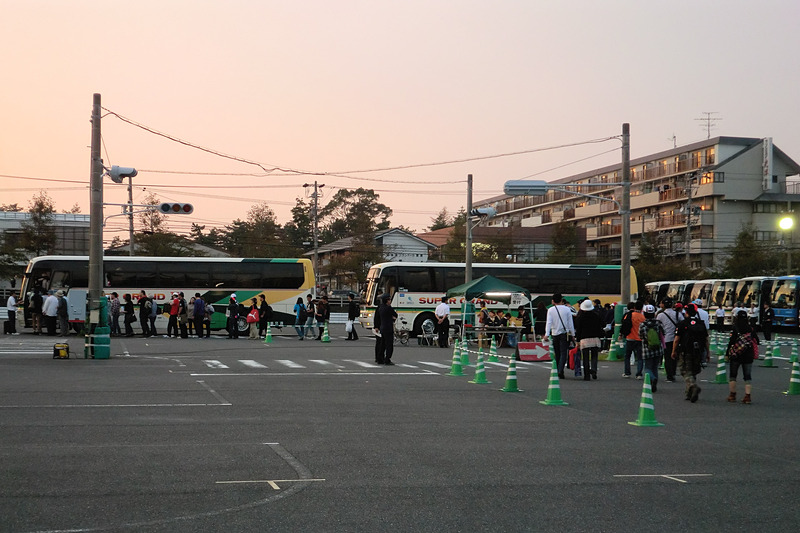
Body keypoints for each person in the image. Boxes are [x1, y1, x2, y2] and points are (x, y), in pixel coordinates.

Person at [671, 303, 709, 403]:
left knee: (685, 371)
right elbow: (706, 339)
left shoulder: (683, 323)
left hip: (685, 350)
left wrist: (674, 351)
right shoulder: (701, 323)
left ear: (686, 312)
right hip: (698, 351)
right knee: (693, 370)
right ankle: (689, 393)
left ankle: (692, 386)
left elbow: (677, 339)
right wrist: (707, 353)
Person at [725, 310, 758, 404]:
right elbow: (757, 340)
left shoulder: (735, 327)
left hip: (736, 354)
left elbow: (731, 341)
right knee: (747, 376)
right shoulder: (750, 328)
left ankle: (732, 395)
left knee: (733, 375)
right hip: (748, 354)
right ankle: (747, 396)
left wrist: (727, 354)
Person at [544, 293, 575, 380]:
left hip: (554, 334)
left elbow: (549, 322)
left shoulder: (550, 310)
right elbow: (570, 323)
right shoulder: (567, 310)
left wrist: (547, 334)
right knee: (563, 353)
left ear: (553, 301)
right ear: (561, 300)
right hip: (565, 334)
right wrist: (573, 334)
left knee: (557, 353)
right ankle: (560, 370)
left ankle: (558, 369)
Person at [639, 304, 665, 392]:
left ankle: (652, 379)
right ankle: (654, 384)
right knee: (655, 367)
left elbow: (641, 336)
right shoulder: (658, 323)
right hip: (658, 348)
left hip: (647, 349)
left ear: (644, 314)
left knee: (647, 368)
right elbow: (663, 333)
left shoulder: (643, 325)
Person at [575, 298, 602, 380]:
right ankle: (593, 370)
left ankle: (586, 375)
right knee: (594, 355)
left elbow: (578, 330)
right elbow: (602, 324)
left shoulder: (580, 317)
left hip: (584, 339)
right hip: (595, 338)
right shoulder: (596, 315)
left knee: (585, 357)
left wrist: (577, 340)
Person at [656, 298, 682, 382]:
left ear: (663, 305)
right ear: (672, 305)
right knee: (674, 356)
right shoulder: (678, 314)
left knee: (667, 357)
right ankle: (673, 373)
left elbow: (657, 326)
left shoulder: (660, 315)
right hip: (676, 338)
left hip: (665, 339)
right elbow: (682, 323)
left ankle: (669, 376)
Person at [622, 301, 646, 379]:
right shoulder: (643, 317)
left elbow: (624, 325)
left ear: (635, 307)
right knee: (640, 357)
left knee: (627, 356)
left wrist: (622, 334)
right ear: (642, 308)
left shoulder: (629, 315)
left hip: (630, 338)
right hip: (639, 339)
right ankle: (639, 374)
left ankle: (627, 372)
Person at [374, 293, 398, 364]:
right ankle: (387, 359)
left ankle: (380, 358)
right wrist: (392, 318)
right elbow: (395, 315)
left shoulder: (380, 307)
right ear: (387, 301)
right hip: (388, 328)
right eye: (389, 300)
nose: (390, 301)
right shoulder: (388, 308)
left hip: (382, 328)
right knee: (389, 345)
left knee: (382, 344)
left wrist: (376, 326)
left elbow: (377, 317)